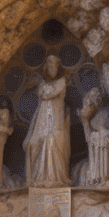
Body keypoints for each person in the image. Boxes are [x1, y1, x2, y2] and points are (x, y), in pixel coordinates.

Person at [23, 54, 72, 187]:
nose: (51, 66)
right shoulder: (43, 84)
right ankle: (39, 177)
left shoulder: (61, 81)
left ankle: (54, 177)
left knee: (52, 142)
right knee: (35, 143)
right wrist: (44, 91)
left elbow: (49, 93)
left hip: (55, 118)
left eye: (54, 63)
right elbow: (42, 93)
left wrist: (45, 91)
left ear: (58, 66)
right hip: (42, 119)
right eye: (49, 63)